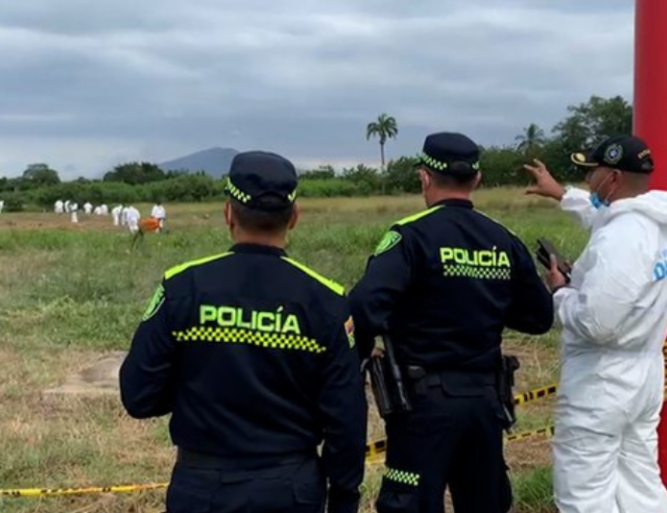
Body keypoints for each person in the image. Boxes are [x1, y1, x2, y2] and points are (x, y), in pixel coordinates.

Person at [120, 150, 367, 513]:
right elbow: (346, 418)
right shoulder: (327, 301)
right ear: (294, 217)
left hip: (203, 489)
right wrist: (344, 498)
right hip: (291, 490)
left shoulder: (183, 287)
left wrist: (197, 388)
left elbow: (138, 395)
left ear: (228, 213)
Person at [349, 132, 554, 513]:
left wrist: (359, 356)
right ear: (476, 180)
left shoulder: (409, 236)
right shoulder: (503, 239)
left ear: (424, 177)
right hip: (485, 404)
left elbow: (363, 306)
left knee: (410, 502)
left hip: (421, 405)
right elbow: (540, 317)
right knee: (484, 501)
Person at [523, 135, 667, 513]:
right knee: (640, 486)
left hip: (603, 381)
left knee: (585, 495)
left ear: (611, 178)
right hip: (642, 374)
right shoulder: (658, 222)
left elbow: (596, 323)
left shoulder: (621, 239)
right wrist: (561, 194)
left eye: (592, 172)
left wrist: (561, 292)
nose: (589, 180)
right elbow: (604, 216)